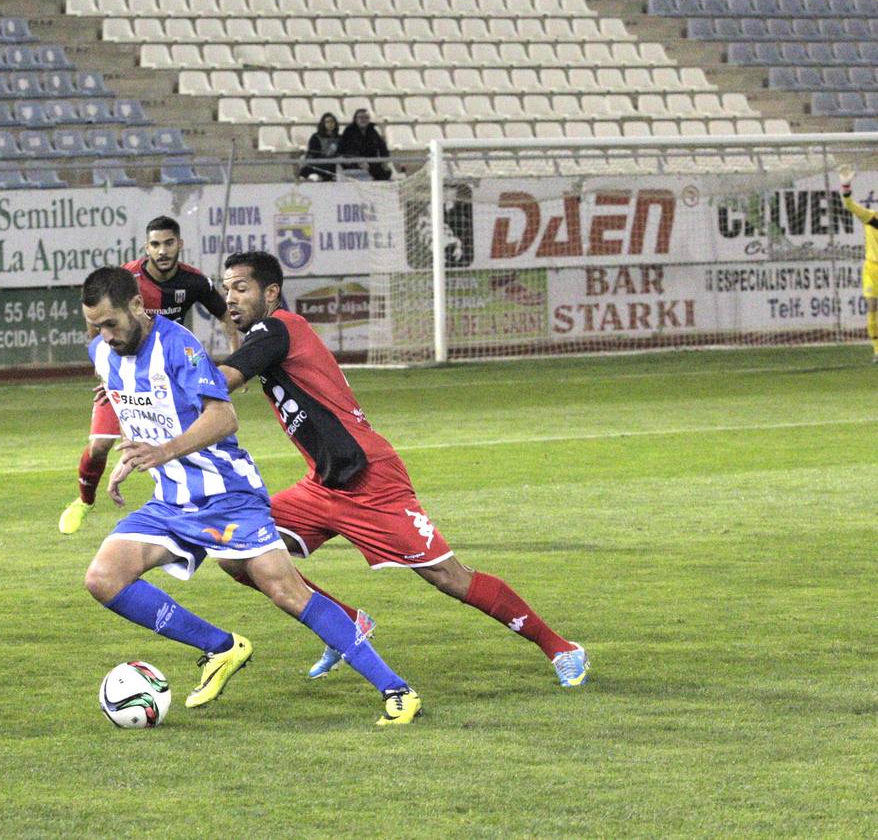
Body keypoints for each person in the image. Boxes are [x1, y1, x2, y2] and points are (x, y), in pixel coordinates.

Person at [216, 251, 589, 688]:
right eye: (226, 289)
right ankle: (347, 623)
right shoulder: (267, 335)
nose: (231, 298)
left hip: (371, 479)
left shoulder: (278, 328)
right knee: (236, 553)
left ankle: (561, 647)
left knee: (448, 577)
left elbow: (223, 380)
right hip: (324, 484)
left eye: (240, 288)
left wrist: (150, 382)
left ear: (271, 292)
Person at [80, 265, 422, 725]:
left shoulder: (178, 345)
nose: (104, 335)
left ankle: (397, 690)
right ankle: (221, 647)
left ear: (138, 307)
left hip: (228, 495)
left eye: (111, 324)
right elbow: (141, 410)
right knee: (103, 578)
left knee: (286, 592)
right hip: (171, 502)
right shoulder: (103, 354)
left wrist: (161, 451)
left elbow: (224, 419)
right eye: (95, 326)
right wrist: (128, 458)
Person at [59, 215, 239, 534]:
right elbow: (98, 323)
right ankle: (84, 501)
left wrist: (238, 359)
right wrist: (111, 375)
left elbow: (227, 316)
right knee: (100, 446)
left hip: (165, 372)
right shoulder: (128, 279)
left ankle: (214, 500)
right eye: (155, 244)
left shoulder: (193, 283)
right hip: (123, 373)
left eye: (168, 243)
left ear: (179, 244)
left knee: (199, 425)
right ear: (147, 247)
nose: (162, 250)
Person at [838, 164, 878, 363]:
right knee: (872, 308)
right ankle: (877, 350)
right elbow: (849, 206)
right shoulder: (871, 217)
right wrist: (845, 186)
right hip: (872, 268)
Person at [337, 108, 392, 181]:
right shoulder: (349, 131)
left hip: (370, 161)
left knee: (386, 172)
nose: (364, 120)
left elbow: (382, 146)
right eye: (361, 117)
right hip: (354, 161)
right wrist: (358, 160)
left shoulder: (372, 130)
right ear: (355, 119)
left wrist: (385, 160)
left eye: (366, 118)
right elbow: (347, 149)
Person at [299, 112, 341, 182]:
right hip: (320, 163)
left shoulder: (340, 138)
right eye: (327, 122)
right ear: (323, 124)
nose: (330, 124)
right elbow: (313, 155)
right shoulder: (316, 137)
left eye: (332, 121)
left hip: (334, 164)